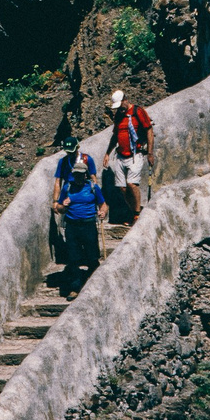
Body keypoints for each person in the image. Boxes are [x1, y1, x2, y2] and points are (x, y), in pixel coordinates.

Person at [53, 134, 102, 290]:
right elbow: (58, 181)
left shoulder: (87, 160)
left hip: (86, 210)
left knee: (91, 252)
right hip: (69, 199)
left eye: (72, 151)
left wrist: (93, 195)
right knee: (73, 252)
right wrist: (57, 202)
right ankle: (75, 284)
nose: (69, 154)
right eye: (67, 151)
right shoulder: (63, 162)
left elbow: (94, 178)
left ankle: (92, 280)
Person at [107, 89, 153, 223]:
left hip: (135, 154)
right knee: (122, 188)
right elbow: (115, 136)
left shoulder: (137, 111)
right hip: (121, 155)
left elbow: (149, 130)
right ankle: (133, 212)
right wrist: (107, 153)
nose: (119, 109)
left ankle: (137, 214)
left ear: (125, 100)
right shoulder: (118, 116)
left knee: (131, 184)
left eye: (120, 106)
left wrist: (150, 153)